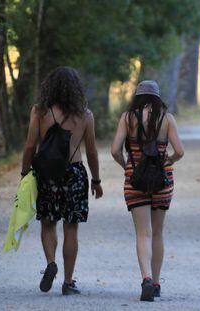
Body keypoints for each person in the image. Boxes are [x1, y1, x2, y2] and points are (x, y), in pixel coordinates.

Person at [20, 66, 103, 295]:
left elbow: (29, 145)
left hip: (47, 174)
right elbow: (92, 152)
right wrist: (96, 180)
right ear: (76, 89)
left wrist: (24, 173)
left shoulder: (39, 111)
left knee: (48, 223)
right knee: (71, 227)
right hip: (75, 173)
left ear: (51, 86)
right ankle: (68, 282)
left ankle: (50, 263)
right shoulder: (85, 115)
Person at [111, 80, 184, 301]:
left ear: (137, 96)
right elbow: (179, 151)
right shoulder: (167, 118)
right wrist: (168, 160)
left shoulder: (127, 117)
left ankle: (146, 279)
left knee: (143, 233)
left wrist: (127, 165)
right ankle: (157, 283)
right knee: (158, 233)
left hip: (135, 181)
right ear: (157, 97)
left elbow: (115, 150)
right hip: (162, 180)